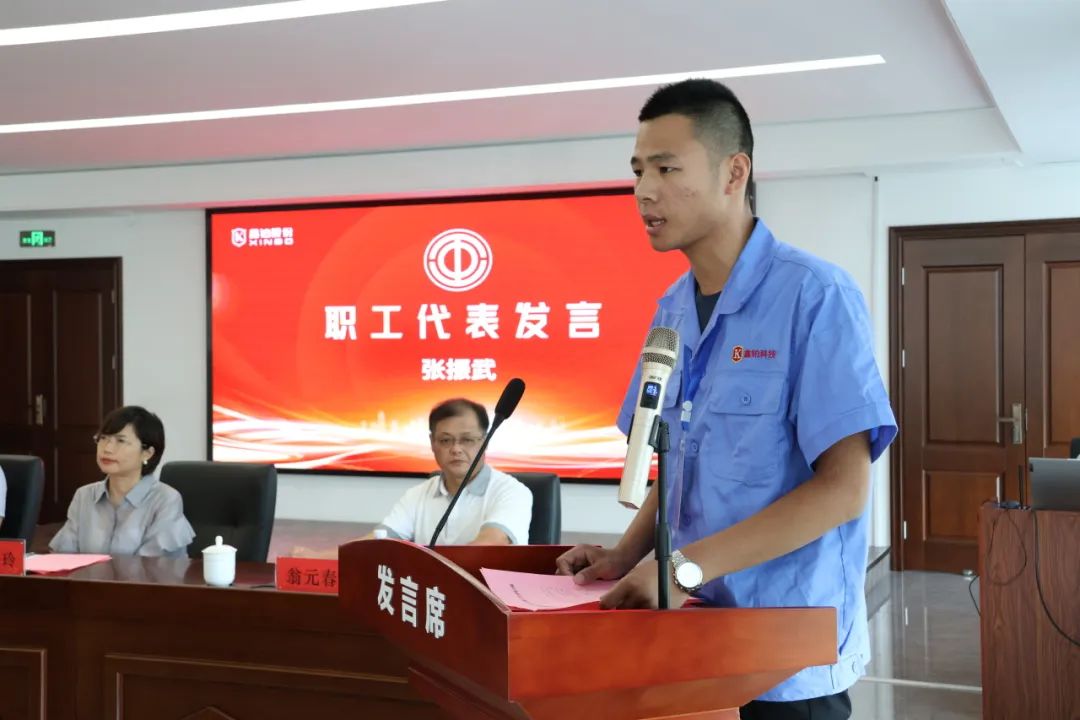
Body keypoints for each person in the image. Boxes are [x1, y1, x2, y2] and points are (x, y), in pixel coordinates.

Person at [555, 79, 897, 720]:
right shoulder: (671, 311)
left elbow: (843, 490)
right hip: (690, 643)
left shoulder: (815, 296)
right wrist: (625, 555)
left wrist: (680, 569)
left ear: (734, 173)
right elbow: (680, 461)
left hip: (783, 657)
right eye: (637, 171)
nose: (644, 191)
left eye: (666, 169)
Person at [295, 398, 532, 556]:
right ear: (432, 443)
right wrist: (318, 557)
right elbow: (379, 542)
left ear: (485, 441)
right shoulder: (418, 495)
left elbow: (491, 543)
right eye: (446, 440)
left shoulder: (512, 492)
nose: (456, 449)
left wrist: (430, 565)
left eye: (467, 440)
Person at [49, 405, 194, 557]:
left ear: (147, 453)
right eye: (103, 438)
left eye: (120, 441)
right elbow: (63, 556)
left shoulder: (165, 499)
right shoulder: (84, 495)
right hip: (87, 574)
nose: (107, 449)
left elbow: (152, 565)